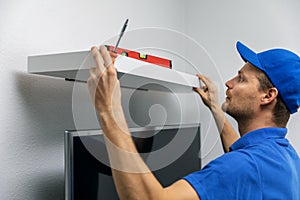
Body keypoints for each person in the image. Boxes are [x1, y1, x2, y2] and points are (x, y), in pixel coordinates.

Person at [87, 41, 300, 200]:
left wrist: (109, 109)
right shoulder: (284, 155)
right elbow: (243, 155)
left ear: (268, 96)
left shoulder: (243, 166)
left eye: (241, 78)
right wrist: (215, 108)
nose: (229, 82)